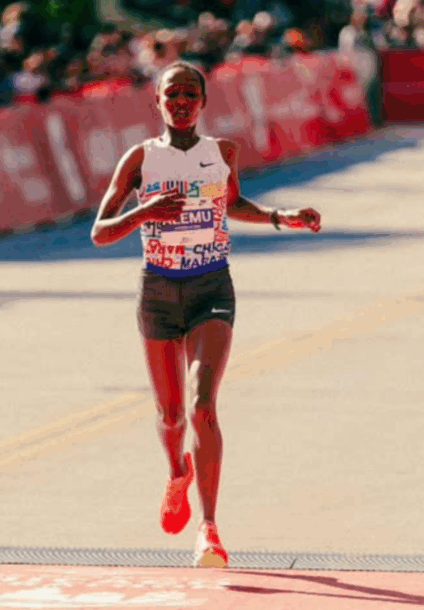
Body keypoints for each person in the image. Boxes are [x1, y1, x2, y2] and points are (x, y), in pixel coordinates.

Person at [90, 61, 321, 567]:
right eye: (171, 93)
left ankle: (209, 528)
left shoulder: (223, 153)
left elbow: (231, 204)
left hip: (211, 286)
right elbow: (100, 232)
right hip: (158, 291)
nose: (181, 102)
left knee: (201, 406)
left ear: (202, 102)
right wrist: (145, 212)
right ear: (157, 100)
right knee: (171, 416)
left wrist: (280, 216)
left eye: (190, 94)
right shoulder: (140, 159)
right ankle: (178, 472)